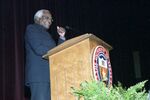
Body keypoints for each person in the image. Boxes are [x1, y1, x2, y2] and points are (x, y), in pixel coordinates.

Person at [24, 9, 66, 100]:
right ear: (38, 19)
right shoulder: (32, 28)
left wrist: (62, 37)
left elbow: (58, 53)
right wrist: (55, 52)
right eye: (47, 18)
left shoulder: (48, 35)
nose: (50, 21)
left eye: (51, 19)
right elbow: (39, 49)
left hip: (52, 76)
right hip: (39, 76)